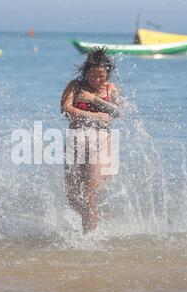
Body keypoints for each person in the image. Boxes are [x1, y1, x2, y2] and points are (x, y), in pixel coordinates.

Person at [61, 47, 122, 233]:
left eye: (101, 76)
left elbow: (118, 112)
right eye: (93, 75)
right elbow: (65, 109)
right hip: (76, 142)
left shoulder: (110, 89)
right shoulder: (75, 86)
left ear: (107, 75)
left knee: (90, 194)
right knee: (72, 197)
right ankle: (90, 223)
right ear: (86, 72)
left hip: (101, 144)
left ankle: (90, 238)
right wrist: (94, 115)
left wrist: (95, 100)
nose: (97, 80)